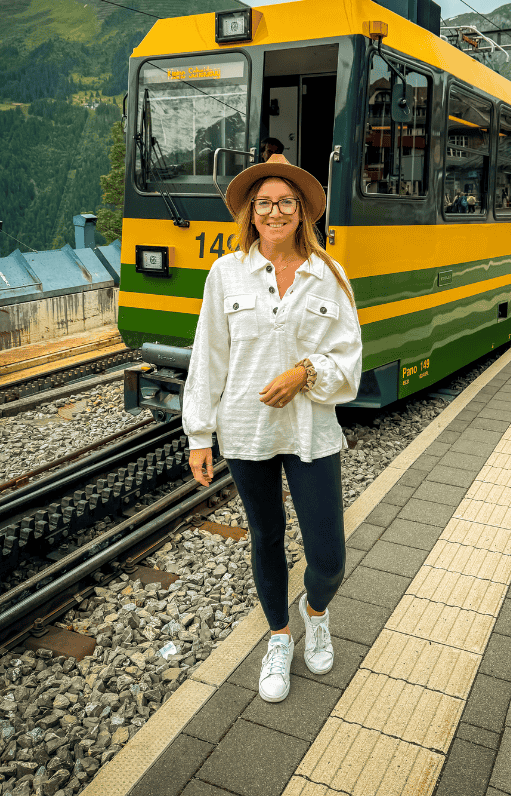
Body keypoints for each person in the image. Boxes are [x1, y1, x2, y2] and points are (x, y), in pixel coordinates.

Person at [182, 154, 362, 704]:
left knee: (328, 557)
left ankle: (316, 612)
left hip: (310, 432)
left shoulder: (330, 275)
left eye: (287, 201)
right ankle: (279, 638)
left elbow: (350, 358)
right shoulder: (226, 273)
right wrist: (199, 434)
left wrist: (304, 373)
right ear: (251, 215)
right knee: (267, 539)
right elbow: (208, 356)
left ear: (302, 211)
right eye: (265, 203)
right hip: (246, 431)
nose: (276, 211)